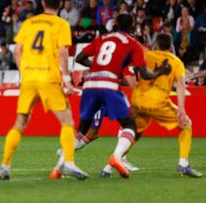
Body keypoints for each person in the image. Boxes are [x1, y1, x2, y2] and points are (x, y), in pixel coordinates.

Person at [52, 14, 171, 179]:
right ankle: (117, 158)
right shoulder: (132, 43)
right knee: (130, 125)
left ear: (115, 24)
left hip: (89, 84)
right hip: (108, 86)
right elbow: (145, 73)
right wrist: (160, 71)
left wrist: (98, 67)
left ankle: (59, 166)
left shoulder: (103, 38)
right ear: (132, 26)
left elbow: (80, 58)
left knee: (81, 131)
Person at [0, 0, 88, 181]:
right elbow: (63, 52)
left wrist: (25, 72)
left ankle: (5, 165)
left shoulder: (29, 22)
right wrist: (67, 79)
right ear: (61, 4)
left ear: (42, 2)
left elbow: (17, 51)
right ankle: (68, 162)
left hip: (29, 79)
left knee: (20, 123)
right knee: (67, 121)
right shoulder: (61, 24)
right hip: (49, 78)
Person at [130, 33, 202, 177]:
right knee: (186, 123)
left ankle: (111, 163)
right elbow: (181, 85)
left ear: (156, 44)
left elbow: (130, 67)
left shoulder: (146, 55)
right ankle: (183, 164)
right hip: (157, 101)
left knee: (134, 131)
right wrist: (181, 109)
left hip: (138, 99)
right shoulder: (176, 62)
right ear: (171, 46)